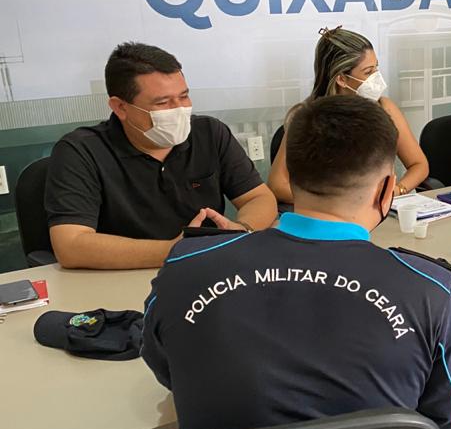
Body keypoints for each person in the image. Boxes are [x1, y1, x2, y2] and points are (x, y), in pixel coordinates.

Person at [141, 95, 451, 429]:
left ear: (291, 176)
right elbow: (444, 424)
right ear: (387, 189)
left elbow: (167, 367)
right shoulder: (434, 290)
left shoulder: (185, 266)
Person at [45, 42, 277, 270]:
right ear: (120, 107)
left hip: (207, 270)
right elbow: (71, 245)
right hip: (122, 276)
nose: (179, 109)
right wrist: (174, 251)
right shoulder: (80, 151)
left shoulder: (209, 133)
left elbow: (259, 198)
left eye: (183, 97)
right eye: (163, 102)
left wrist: (242, 230)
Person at [269, 26, 428, 203]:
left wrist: (396, 191)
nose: (377, 77)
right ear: (341, 79)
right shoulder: (308, 118)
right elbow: (277, 185)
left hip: (380, 210)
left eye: (376, 68)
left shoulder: (385, 108)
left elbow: (419, 165)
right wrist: (334, 203)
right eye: (368, 72)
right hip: (328, 214)